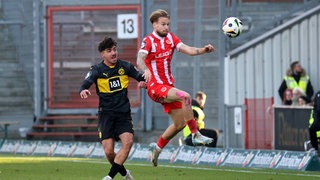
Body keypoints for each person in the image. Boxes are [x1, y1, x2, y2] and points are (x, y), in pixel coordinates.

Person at [136, 9, 214, 167]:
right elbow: (140, 58)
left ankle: (157, 148)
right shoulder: (149, 40)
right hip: (155, 87)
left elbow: (189, 50)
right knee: (185, 96)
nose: (166, 27)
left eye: (168, 24)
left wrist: (203, 50)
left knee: (180, 124)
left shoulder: (171, 38)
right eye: (163, 24)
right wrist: (145, 69)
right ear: (155, 24)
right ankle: (195, 134)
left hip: (167, 87)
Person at [79, 36, 147, 180]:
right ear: (102, 54)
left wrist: (143, 81)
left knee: (128, 142)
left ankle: (109, 177)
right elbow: (87, 81)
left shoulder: (125, 66)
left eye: (115, 50)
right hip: (106, 115)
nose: (113, 53)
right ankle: (125, 174)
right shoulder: (97, 69)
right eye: (109, 51)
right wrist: (83, 89)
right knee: (109, 152)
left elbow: (140, 76)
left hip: (123, 114)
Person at [308, 91, 320, 157]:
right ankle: (315, 149)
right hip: (318, 120)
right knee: (312, 128)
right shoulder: (318, 94)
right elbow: (317, 109)